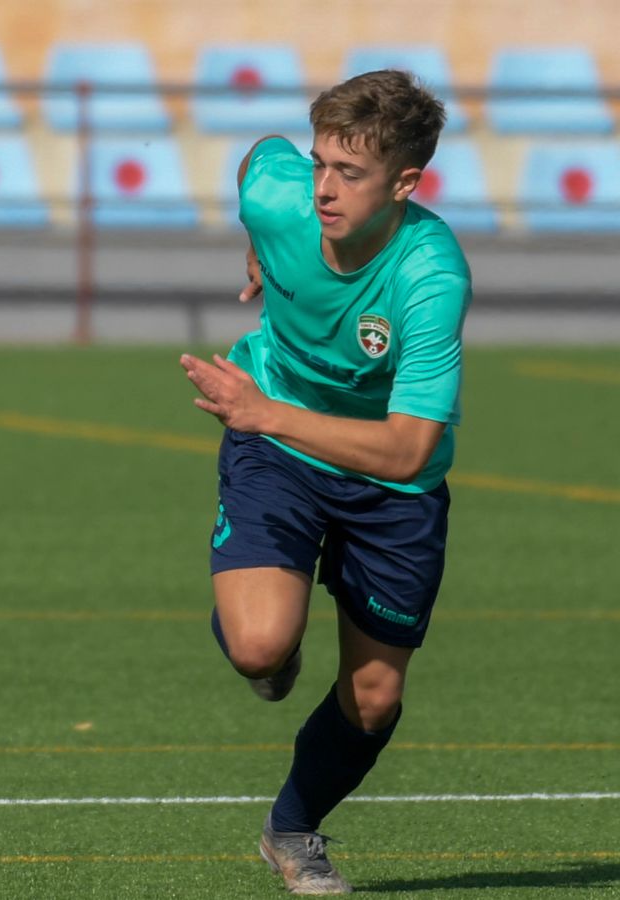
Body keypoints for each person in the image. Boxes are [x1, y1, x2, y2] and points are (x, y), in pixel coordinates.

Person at [180, 69, 469, 895]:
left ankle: (292, 828)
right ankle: (268, 632)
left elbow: (410, 451)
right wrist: (257, 241)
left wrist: (263, 413)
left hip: (389, 486)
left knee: (374, 701)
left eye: (351, 173)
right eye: (320, 165)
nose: (324, 189)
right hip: (280, 455)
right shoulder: (284, 198)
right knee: (261, 647)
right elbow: (256, 163)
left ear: (405, 184)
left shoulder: (431, 277)